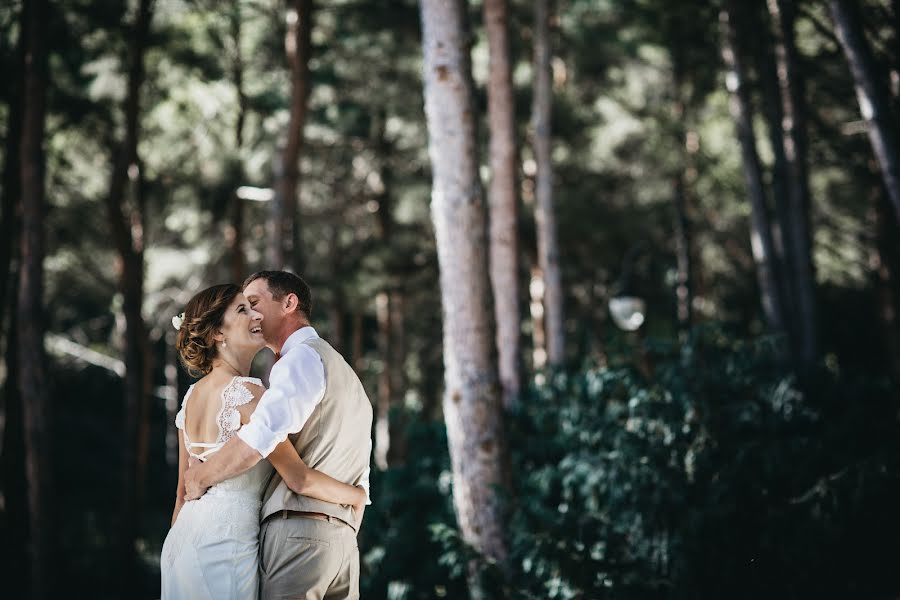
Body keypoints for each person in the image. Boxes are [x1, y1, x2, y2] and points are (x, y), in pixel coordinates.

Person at [160, 283, 366, 600]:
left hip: (182, 540)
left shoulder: (189, 400)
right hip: (226, 544)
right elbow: (297, 475)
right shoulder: (248, 393)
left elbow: (181, 495)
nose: (255, 315)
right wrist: (355, 494)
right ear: (218, 333)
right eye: (243, 309)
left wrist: (176, 542)